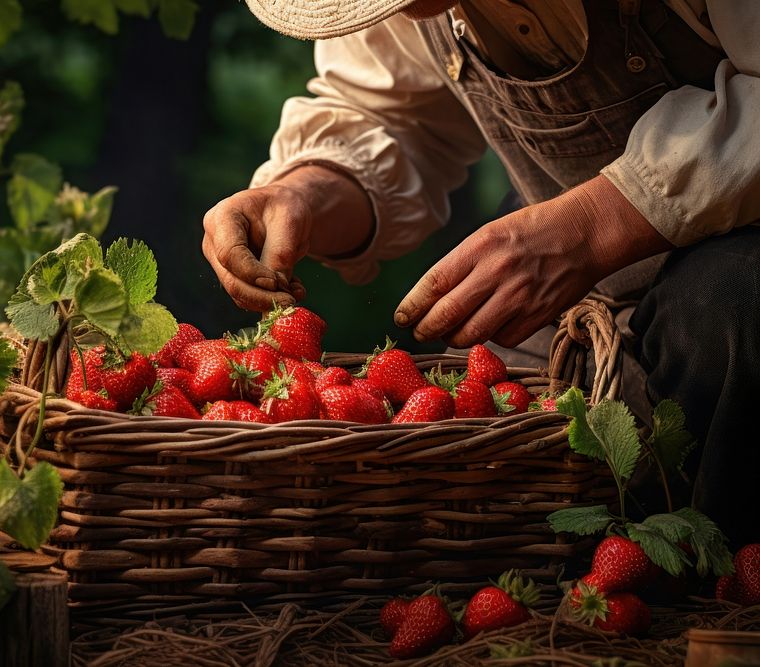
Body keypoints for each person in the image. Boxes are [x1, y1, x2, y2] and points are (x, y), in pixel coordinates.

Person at [200, 0, 760, 546]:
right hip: (557, 283)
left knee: (731, 302)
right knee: (494, 471)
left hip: (735, 275)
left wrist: (591, 225)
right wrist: (301, 193)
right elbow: (387, 116)